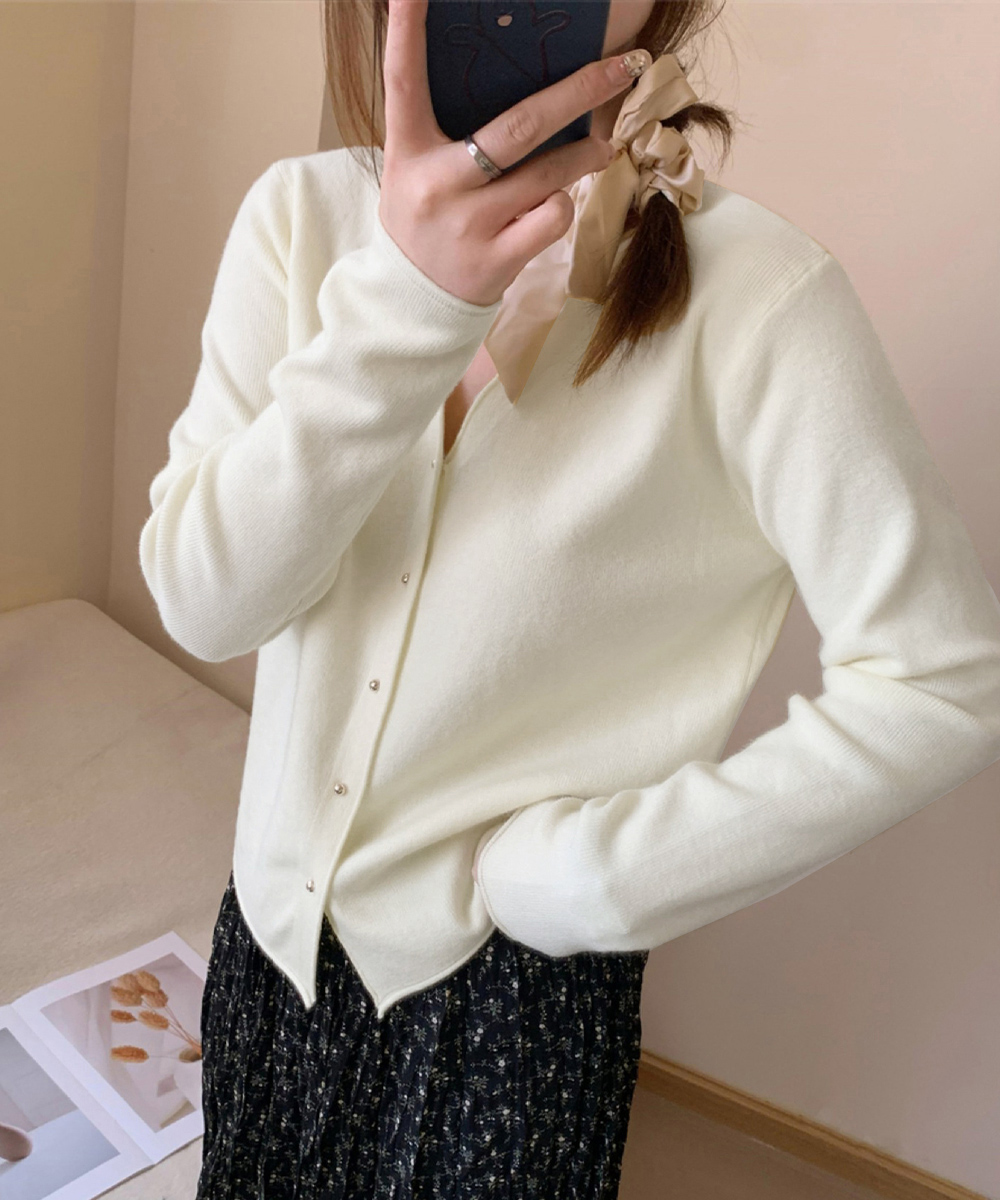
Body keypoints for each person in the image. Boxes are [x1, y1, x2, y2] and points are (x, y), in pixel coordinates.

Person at [138, 0, 1000, 1195]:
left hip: (516, 1002)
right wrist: (406, 302)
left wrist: (599, 877)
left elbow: (941, 680)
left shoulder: (760, 293)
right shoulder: (296, 218)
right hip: (271, 952)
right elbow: (207, 604)